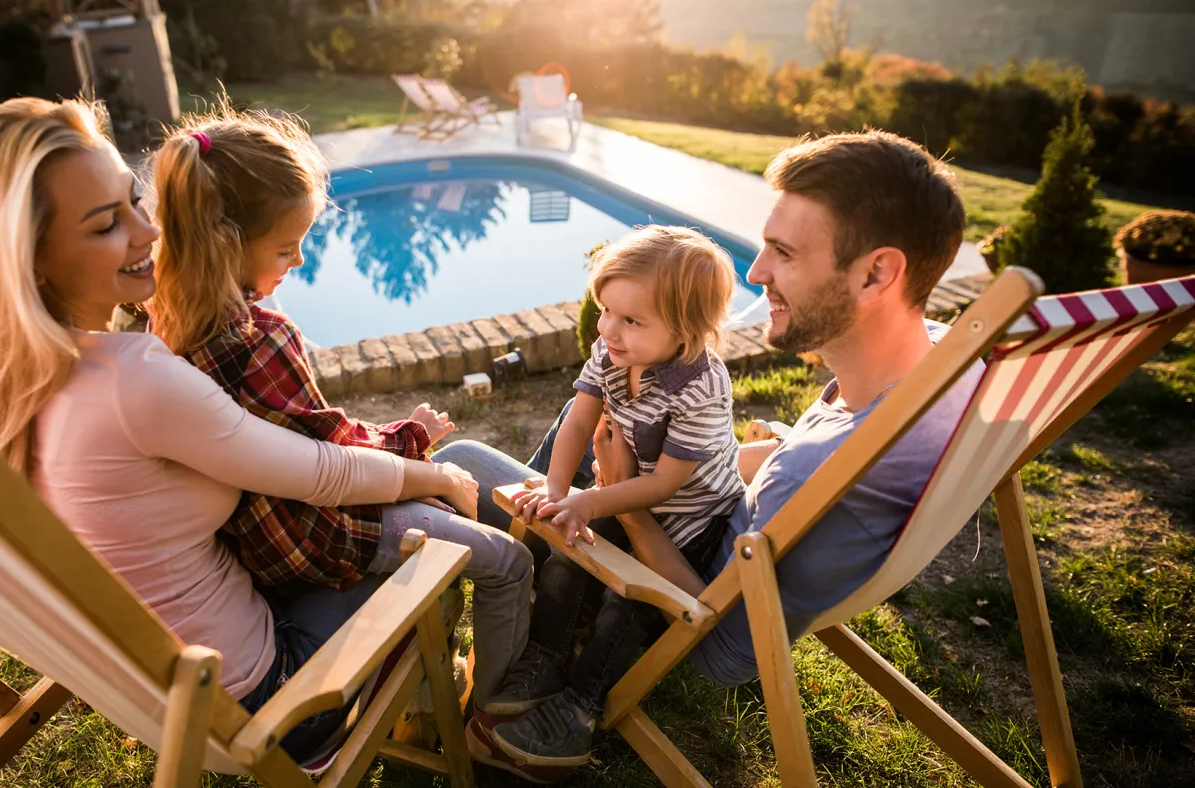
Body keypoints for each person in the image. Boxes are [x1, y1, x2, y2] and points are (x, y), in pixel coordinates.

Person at [0, 97, 485, 761]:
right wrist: (436, 471)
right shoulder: (132, 379)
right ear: (31, 258)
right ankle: (456, 713)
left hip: (181, 699)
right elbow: (324, 472)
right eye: (107, 225)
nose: (148, 234)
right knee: (429, 533)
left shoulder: (25, 384)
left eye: (134, 201)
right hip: (277, 698)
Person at [431, 129, 981, 780]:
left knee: (459, 465)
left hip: (676, 582)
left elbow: (716, 630)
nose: (756, 272)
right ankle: (551, 577)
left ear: (878, 272)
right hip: (697, 513)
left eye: (783, 252)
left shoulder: (823, 467)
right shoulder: (947, 368)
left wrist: (623, 496)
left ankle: (517, 649)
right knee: (604, 395)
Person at [145, 107, 533, 712]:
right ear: (228, 244)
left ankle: (429, 695)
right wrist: (409, 436)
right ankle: (491, 715)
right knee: (509, 560)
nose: (298, 261)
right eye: (286, 247)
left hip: (265, 541)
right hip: (320, 534)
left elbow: (297, 439)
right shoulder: (258, 339)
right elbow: (328, 453)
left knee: (449, 491)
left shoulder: (161, 325)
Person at [480, 225, 746, 769]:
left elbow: (666, 485)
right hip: (622, 490)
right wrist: (557, 494)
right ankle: (547, 654)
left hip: (688, 520)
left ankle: (581, 704)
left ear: (688, 328)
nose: (608, 331)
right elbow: (577, 424)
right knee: (567, 549)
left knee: (630, 602)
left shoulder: (702, 385)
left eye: (630, 320)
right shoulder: (611, 351)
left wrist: (588, 502)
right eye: (604, 311)